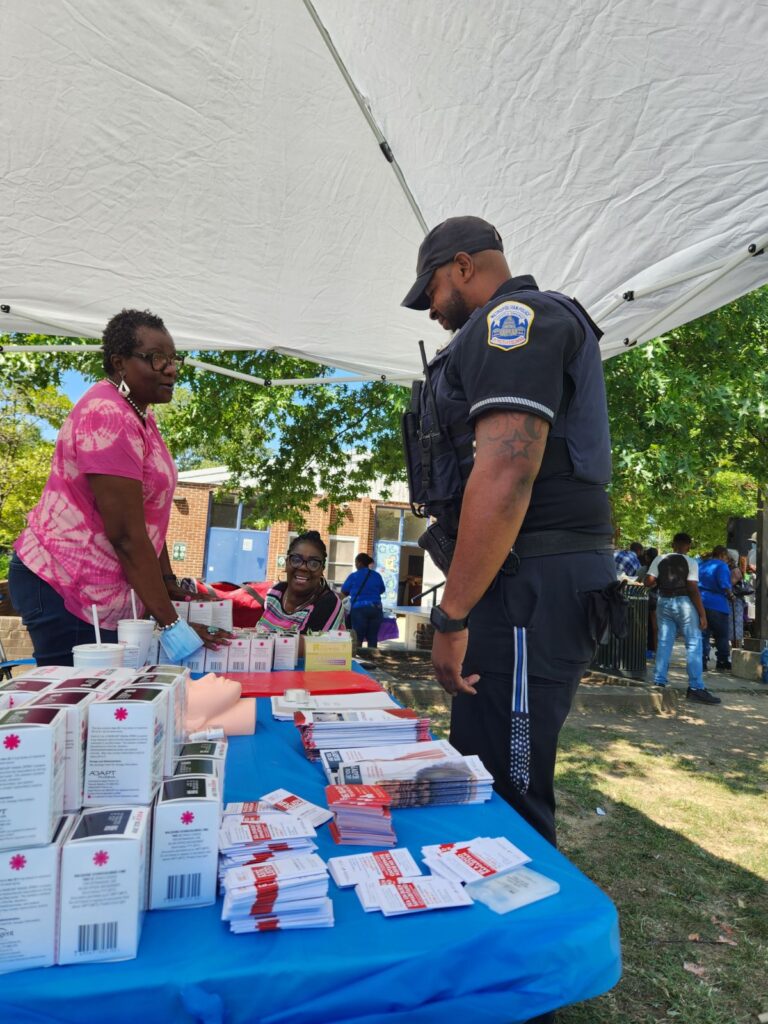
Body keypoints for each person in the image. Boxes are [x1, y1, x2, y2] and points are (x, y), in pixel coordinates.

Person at [400, 215, 616, 851]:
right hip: (524, 578)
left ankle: (524, 942)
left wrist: (451, 615)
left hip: (530, 584)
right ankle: (491, 920)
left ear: (463, 266)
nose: (432, 311)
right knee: (483, 765)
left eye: (432, 291)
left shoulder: (510, 324)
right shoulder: (495, 332)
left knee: (507, 790)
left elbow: (506, 471)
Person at [9, 309, 220, 666]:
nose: (171, 369)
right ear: (120, 363)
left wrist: (166, 579)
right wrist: (171, 624)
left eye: (173, 359)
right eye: (156, 359)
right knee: (82, 701)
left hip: (101, 586)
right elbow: (125, 534)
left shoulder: (140, 415)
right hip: (66, 583)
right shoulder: (107, 415)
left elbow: (148, 514)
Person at [644, 533, 721, 704]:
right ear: (689, 546)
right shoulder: (690, 561)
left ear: (672, 545)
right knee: (693, 644)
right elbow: (692, 588)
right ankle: (695, 687)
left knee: (664, 642)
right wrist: (702, 613)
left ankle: (659, 682)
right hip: (684, 603)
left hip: (663, 602)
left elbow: (648, 581)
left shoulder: (660, 559)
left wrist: (659, 582)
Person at [260, 531, 345, 650]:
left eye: (313, 563)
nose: (303, 567)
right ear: (287, 562)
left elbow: (310, 648)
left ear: (322, 570)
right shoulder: (275, 593)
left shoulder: (329, 603)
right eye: (296, 560)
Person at [698, 545, 733, 671]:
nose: (727, 560)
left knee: (703, 634)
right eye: (726, 557)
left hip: (701, 602)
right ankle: (722, 660)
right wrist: (730, 595)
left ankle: (702, 660)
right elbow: (724, 584)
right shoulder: (721, 565)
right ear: (722, 555)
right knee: (722, 635)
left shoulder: (702, 565)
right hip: (718, 604)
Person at [341, 554, 386, 648]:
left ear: (360, 563)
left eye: (356, 563)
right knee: (373, 637)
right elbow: (382, 590)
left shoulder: (354, 576)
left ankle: (358, 660)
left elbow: (344, 590)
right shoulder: (377, 575)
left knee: (357, 637)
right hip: (376, 608)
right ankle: (371, 659)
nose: (355, 565)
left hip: (359, 609)